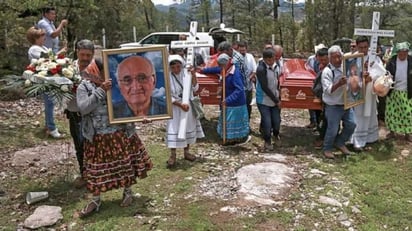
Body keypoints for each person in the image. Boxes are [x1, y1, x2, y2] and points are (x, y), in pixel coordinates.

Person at [76, 59, 153, 217]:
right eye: (95, 71)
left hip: (119, 133)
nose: (95, 74)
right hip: (96, 136)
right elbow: (83, 109)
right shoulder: (84, 86)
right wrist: (101, 91)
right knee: (96, 170)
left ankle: (127, 192)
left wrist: (142, 116)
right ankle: (96, 200)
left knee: (124, 165)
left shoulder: (118, 84)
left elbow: (130, 104)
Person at [64, 39, 95, 188]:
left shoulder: (97, 68)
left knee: (94, 144)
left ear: (93, 55)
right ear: (77, 52)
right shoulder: (66, 68)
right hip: (74, 113)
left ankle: (96, 173)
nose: (85, 58)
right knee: (80, 145)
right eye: (82, 54)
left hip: (93, 115)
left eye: (88, 55)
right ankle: (84, 174)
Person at [26, 26, 66, 138]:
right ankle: (52, 128)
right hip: (43, 79)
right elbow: (45, 60)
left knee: (50, 103)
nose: (44, 37)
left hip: (48, 78)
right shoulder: (34, 49)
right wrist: (59, 53)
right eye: (41, 35)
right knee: (49, 103)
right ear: (35, 37)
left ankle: (49, 126)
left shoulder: (42, 47)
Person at [166, 55, 205, 168]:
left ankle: (186, 152)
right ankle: (173, 155)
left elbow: (196, 88)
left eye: (178, 66)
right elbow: (167, 95)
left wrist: (193, 75)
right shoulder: (167, 77)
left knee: (187, 127)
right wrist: (179, 104)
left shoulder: (186, 74)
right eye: (173, 67)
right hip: (175, 107)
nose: (176, 69)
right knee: (174, 129)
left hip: (187, 106)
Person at [203, 53, 250, 145]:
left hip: (236, 103)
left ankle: (236, 139)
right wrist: (202, 70)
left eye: (222, 65)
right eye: (220, 65)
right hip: (228, 102)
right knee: (227, 121)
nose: (220, 67)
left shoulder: (235, 73)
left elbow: (239, 90)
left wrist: (228, 100)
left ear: (227, 63)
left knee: (232, 121)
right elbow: (214, 69)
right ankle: (228, 139)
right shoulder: (224, 69)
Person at [37, 6, 68, 138]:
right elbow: (53, 34)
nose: (54, 16)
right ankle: (50, 126)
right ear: (46, 14)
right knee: (49, 95)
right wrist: (61, 24)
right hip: (48, 60)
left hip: (53, 57)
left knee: (51, 95)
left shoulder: (50, 23)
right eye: (52, 14)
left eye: (55, 14)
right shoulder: (43, 23)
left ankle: (49, 124)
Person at [322, 45, 356, 159]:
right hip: (333, 105)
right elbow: (328, 90)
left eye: (339, 57)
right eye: (334, 58)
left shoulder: (346, 67)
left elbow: (354, 80)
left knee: (352, 124)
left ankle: (340, 142)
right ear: (329, 58)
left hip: (346, 103)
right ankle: (327, 148)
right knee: (333, 129)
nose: (337, 60)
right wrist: (339, 84)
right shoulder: (327, 71)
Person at [349, 36, 380, 151]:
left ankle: (370, 138)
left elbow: (381, 71)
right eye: (361, 47)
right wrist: (362, 80)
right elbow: (350, 74)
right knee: (358, 115)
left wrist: (372, 76)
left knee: (370, 113)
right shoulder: (352, 58)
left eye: (365, 47)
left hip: (370, 91)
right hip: (358, 91)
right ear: (356, 46)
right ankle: (356, 140)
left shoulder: (374, 57)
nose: (363, 49)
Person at [385, 42, 412, 142]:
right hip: (393, 91)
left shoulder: (411, 60)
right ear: (397, 52)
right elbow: (386, 73)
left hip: (406, 91)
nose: (402, 55)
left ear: (407, 52)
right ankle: (392, 132)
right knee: (392, 113)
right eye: (400, 53)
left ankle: (408, 133)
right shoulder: (392, 61)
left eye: (404, 53)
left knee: (407, 113)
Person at [256, 48, 282, 151]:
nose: (271, 62)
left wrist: (280, 96)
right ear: (265, 60)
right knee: (267, 122)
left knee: (277, 121)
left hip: (275, 97)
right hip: (264, 100)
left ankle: (276, 135)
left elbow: (278, 80)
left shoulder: (276, 66)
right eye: (269, 60)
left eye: (273, 60)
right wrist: (276, 100)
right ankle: (267, 140)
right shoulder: (261, 69)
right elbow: (265, 87)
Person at [306, 43, 326, 129]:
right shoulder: (310, 59)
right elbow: (307, 68)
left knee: (320, 108)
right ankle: (313, 121)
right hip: (313, 83)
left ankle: (320, 126)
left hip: (322, 85)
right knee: (311, 104)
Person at [238, 41, 257, 121]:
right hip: (238, 86)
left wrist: (249, 78)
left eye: (244, 51)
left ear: (246, 49)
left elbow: (254, 70)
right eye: (240, 51)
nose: (242, 52)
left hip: (248, 86)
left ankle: (247, 120)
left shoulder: (250, 57)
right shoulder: (235, 58)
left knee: (248, 104)